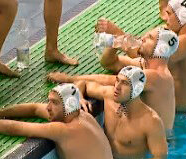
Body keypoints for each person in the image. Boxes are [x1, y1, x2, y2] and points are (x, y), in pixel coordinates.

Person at [48, 27, 179, 130]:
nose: (143, 37)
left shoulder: (155, 76)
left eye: (149, 38)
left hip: (158, 143)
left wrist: (69, 79)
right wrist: (117, 43)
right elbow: (109, 63)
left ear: (161, 49)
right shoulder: (145, 66)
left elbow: (109, 80)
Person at [75, 66, 167, 159]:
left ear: (136, 89)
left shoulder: (151, 121)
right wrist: (80, 98)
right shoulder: (109, 96)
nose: (117, 87)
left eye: (124, 83)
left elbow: (160, 158)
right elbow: (82, 83)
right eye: (117, 80)